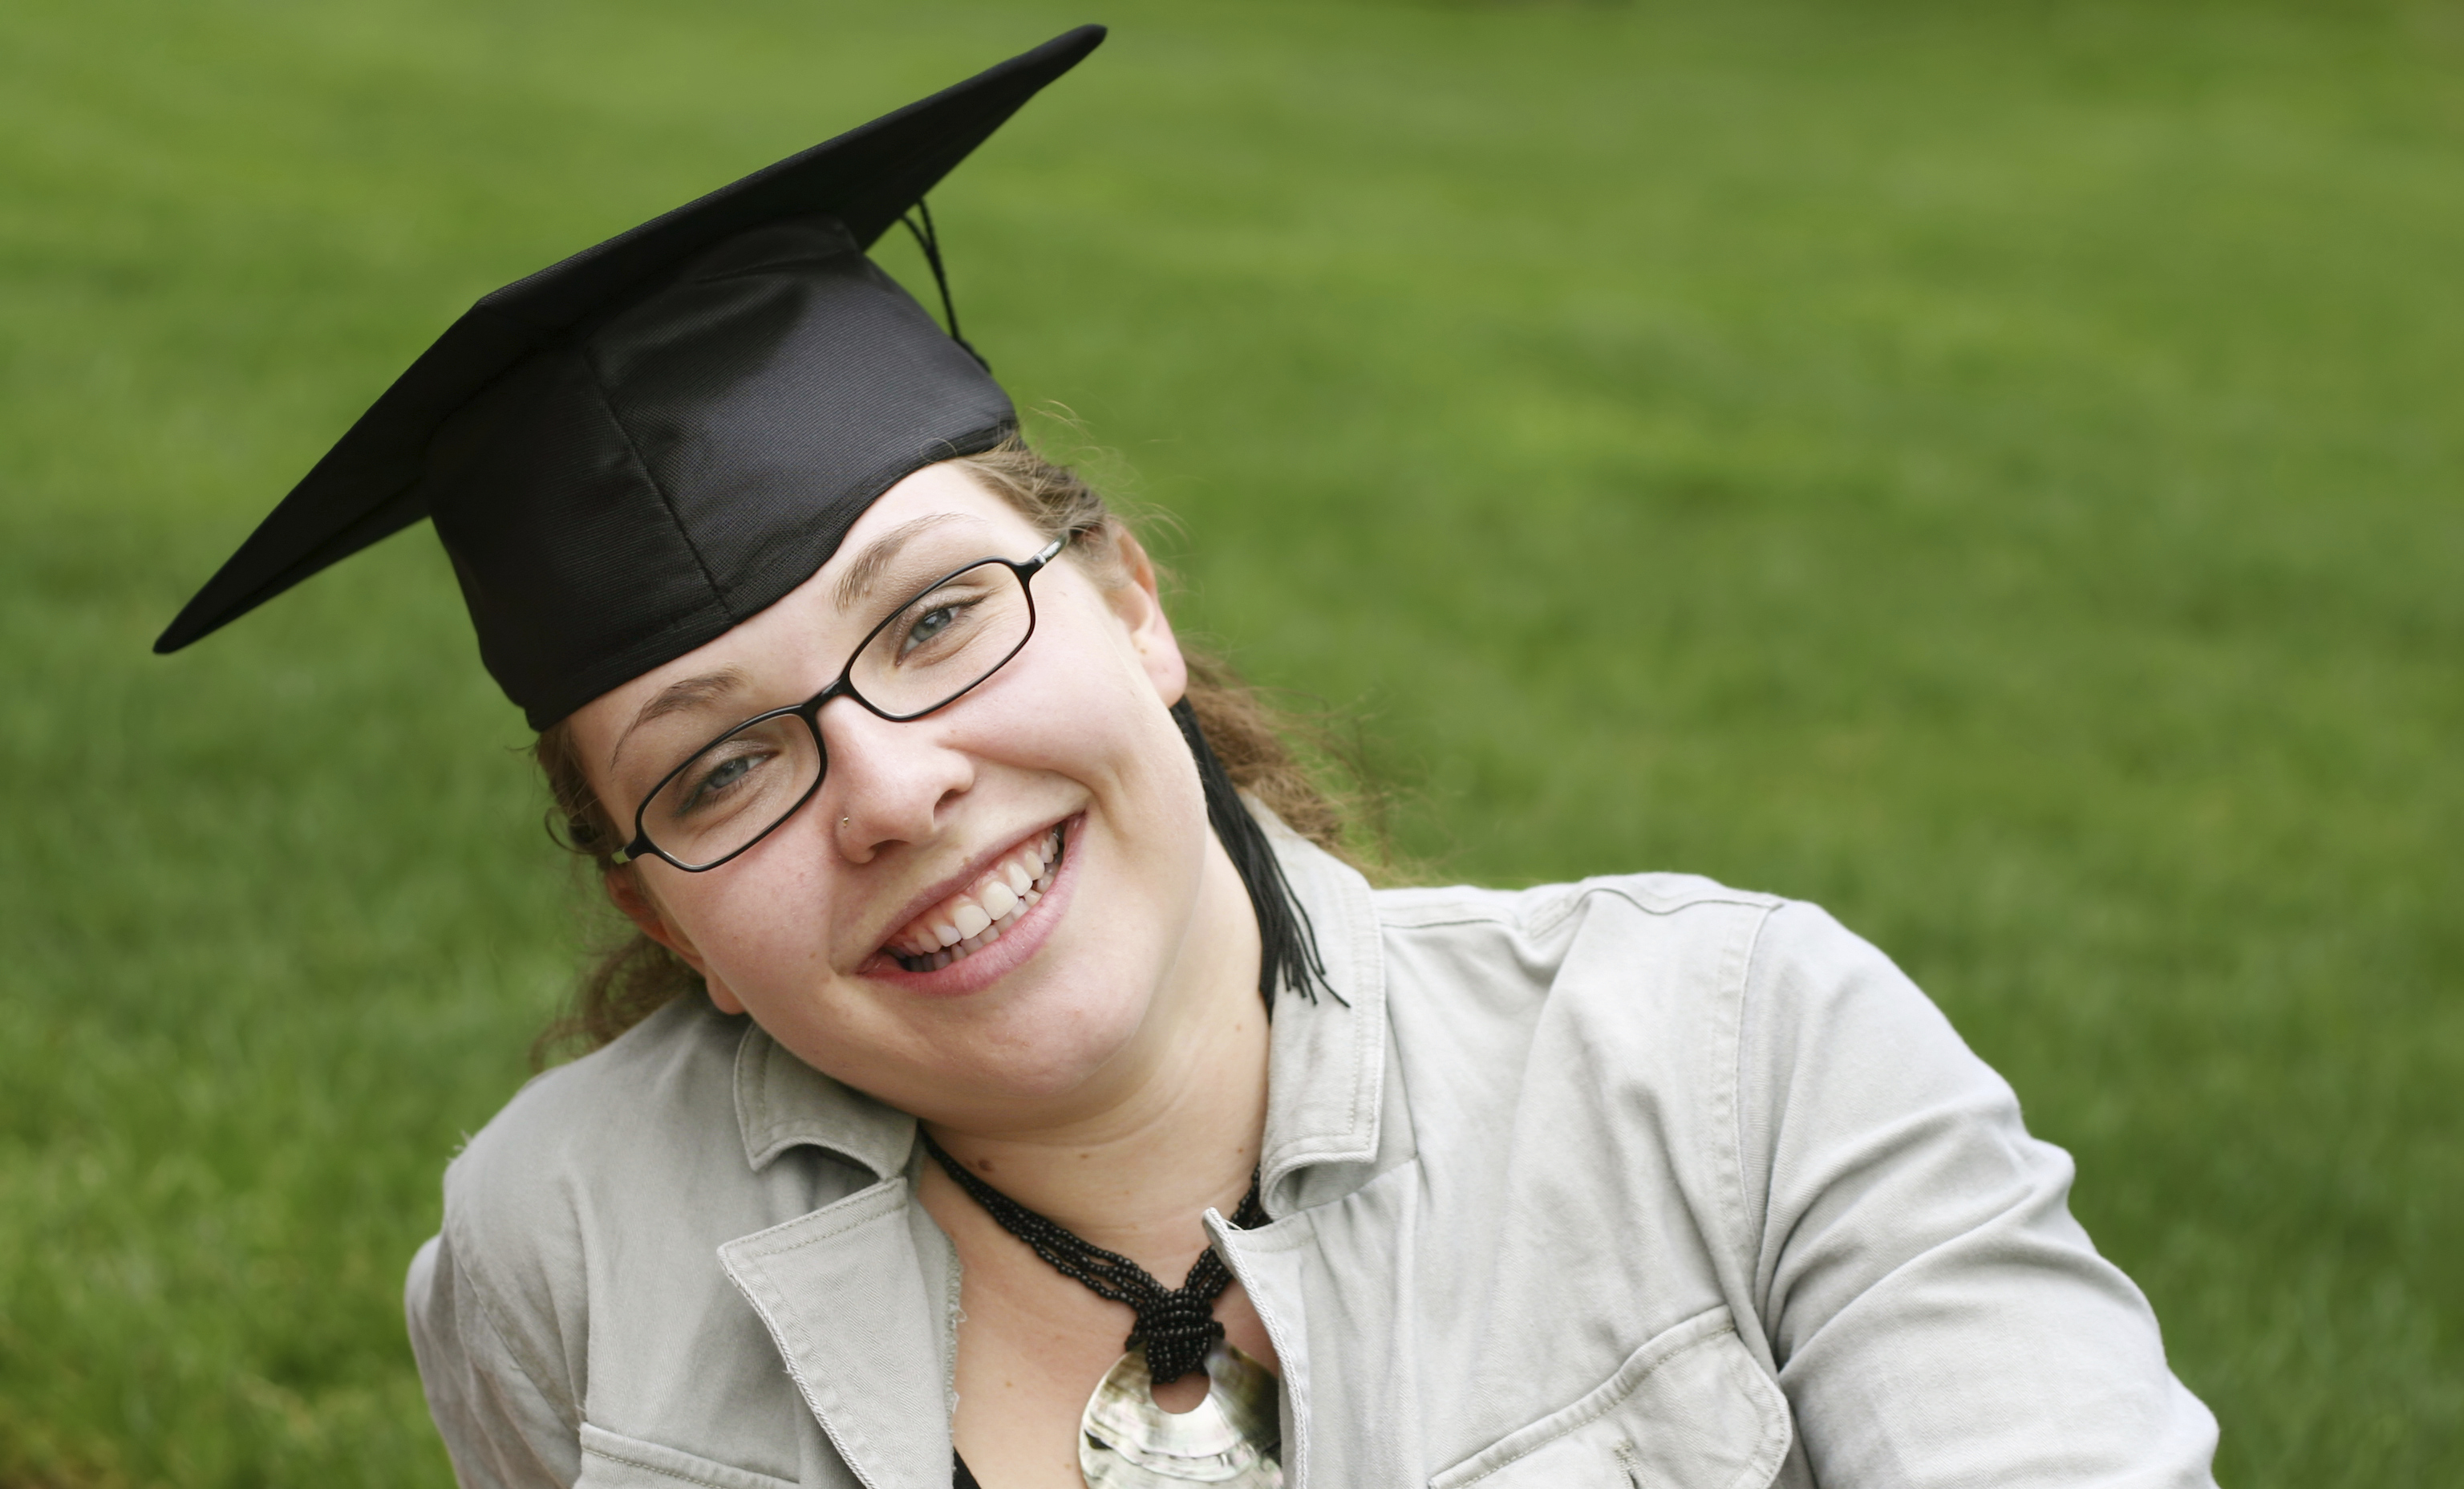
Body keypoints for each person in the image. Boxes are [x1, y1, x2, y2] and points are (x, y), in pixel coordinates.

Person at [156, 26, 2223, 1489]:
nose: (887, 788)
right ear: (650, 902)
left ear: (1131, 602)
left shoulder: (1748, 1075)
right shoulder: (563, 1249)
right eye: (716, 773)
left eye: (934, 617)